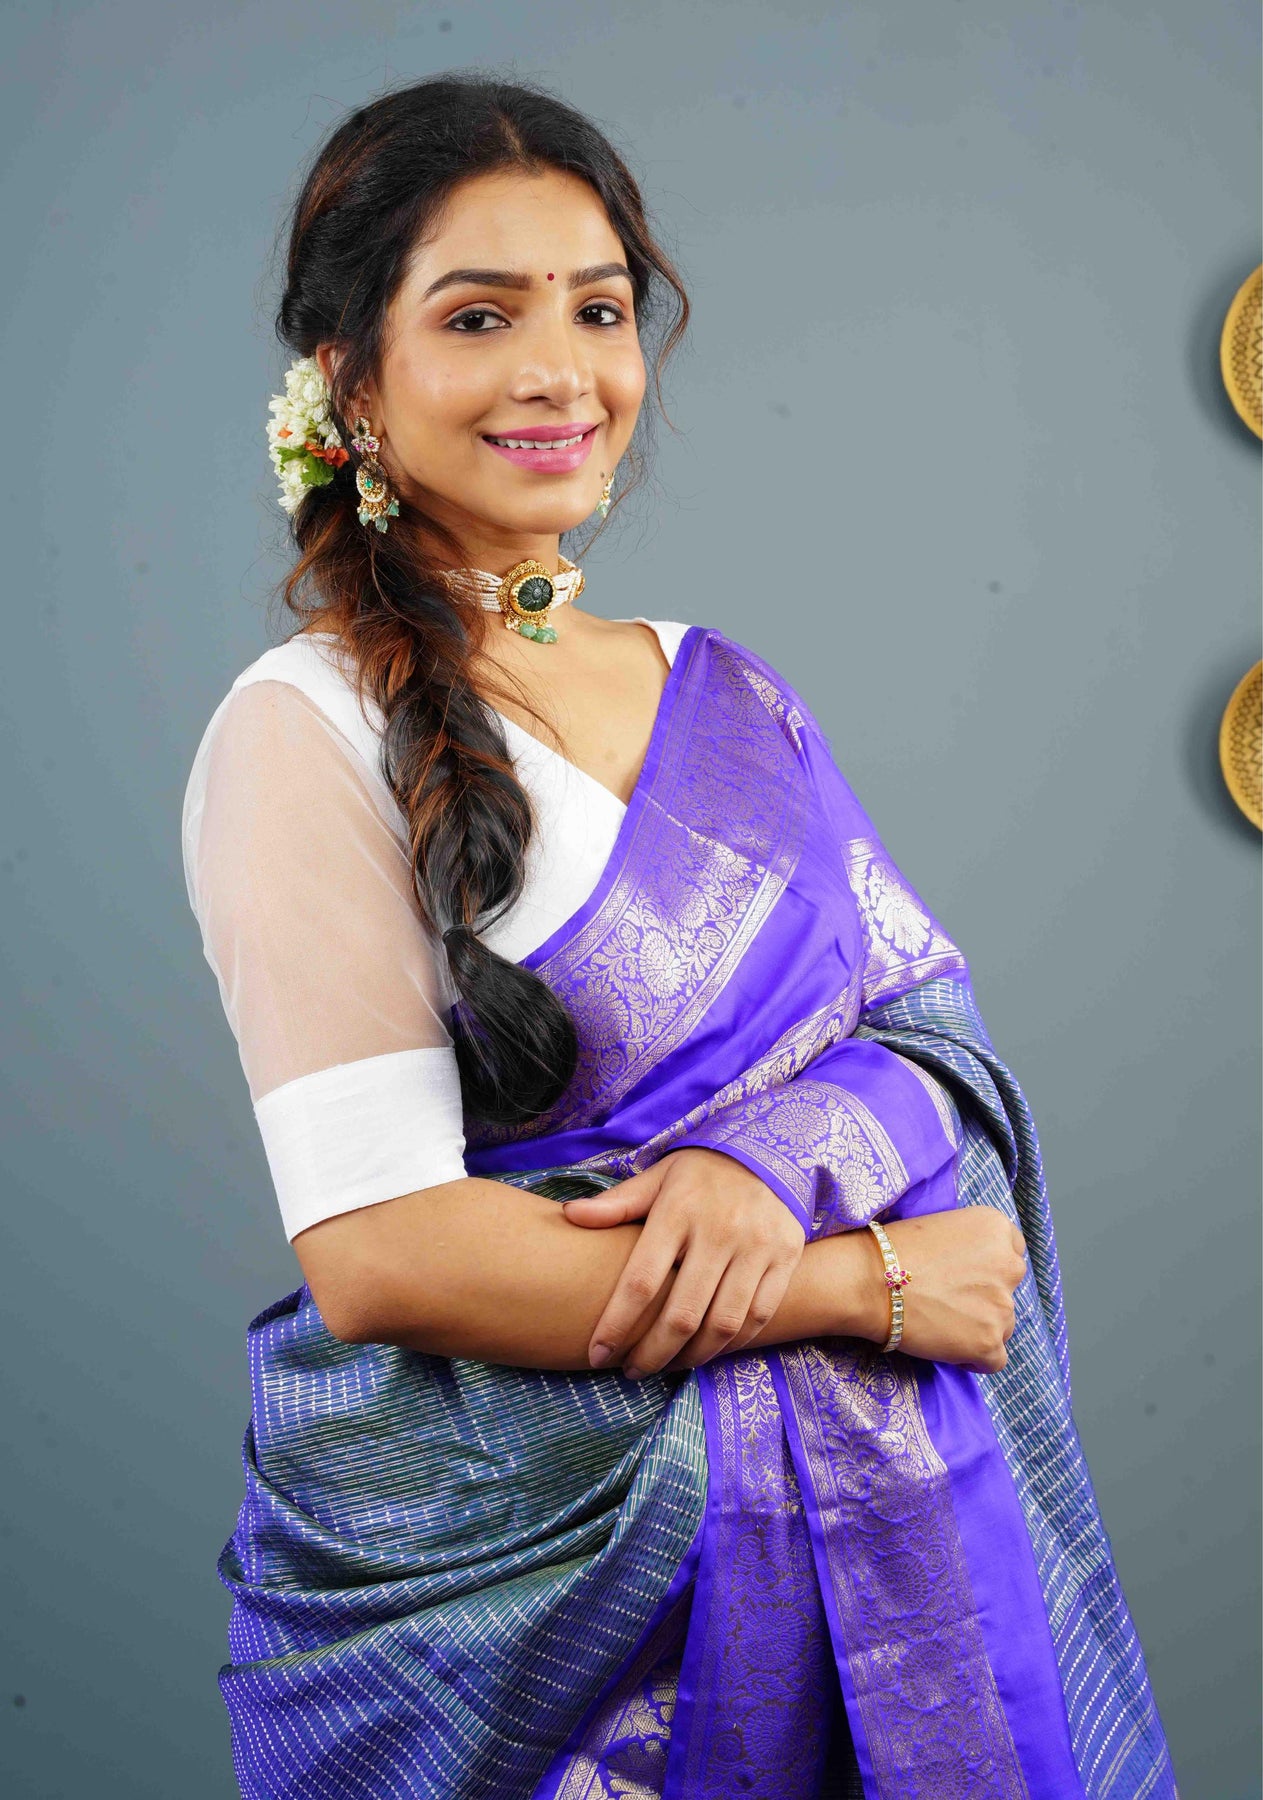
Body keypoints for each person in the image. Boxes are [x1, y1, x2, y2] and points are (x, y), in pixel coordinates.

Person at [180, 72, 1178, 1800]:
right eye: (478, 317)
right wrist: (853, 1283)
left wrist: (767, 1165)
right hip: (553, 1606)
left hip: (900, 1525)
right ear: (350, 379)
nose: (560, 370)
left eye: (599, 310)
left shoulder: (727, 689)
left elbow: (930, 1026)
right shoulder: (302, 730)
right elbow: (382, 1254)